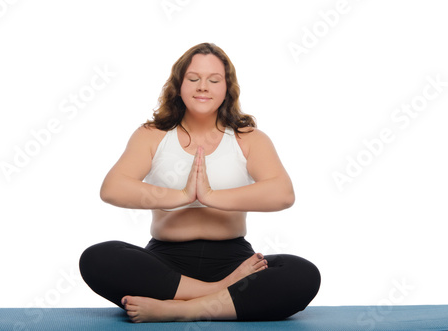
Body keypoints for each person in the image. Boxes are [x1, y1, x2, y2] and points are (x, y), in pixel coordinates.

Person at [79, 42, 320, 323]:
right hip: (166, 263)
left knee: (302, 274)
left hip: (233, 258)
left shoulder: (248, 138)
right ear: (179, 86)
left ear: (226, 88)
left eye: (213, 80)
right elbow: (113, 188)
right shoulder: (152, 135)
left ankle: (181, 308)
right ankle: (217, 294)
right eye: (193, 79)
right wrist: (183, 195)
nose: (202, 86)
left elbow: (282, 193)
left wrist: (209, 196)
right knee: (98, 257)